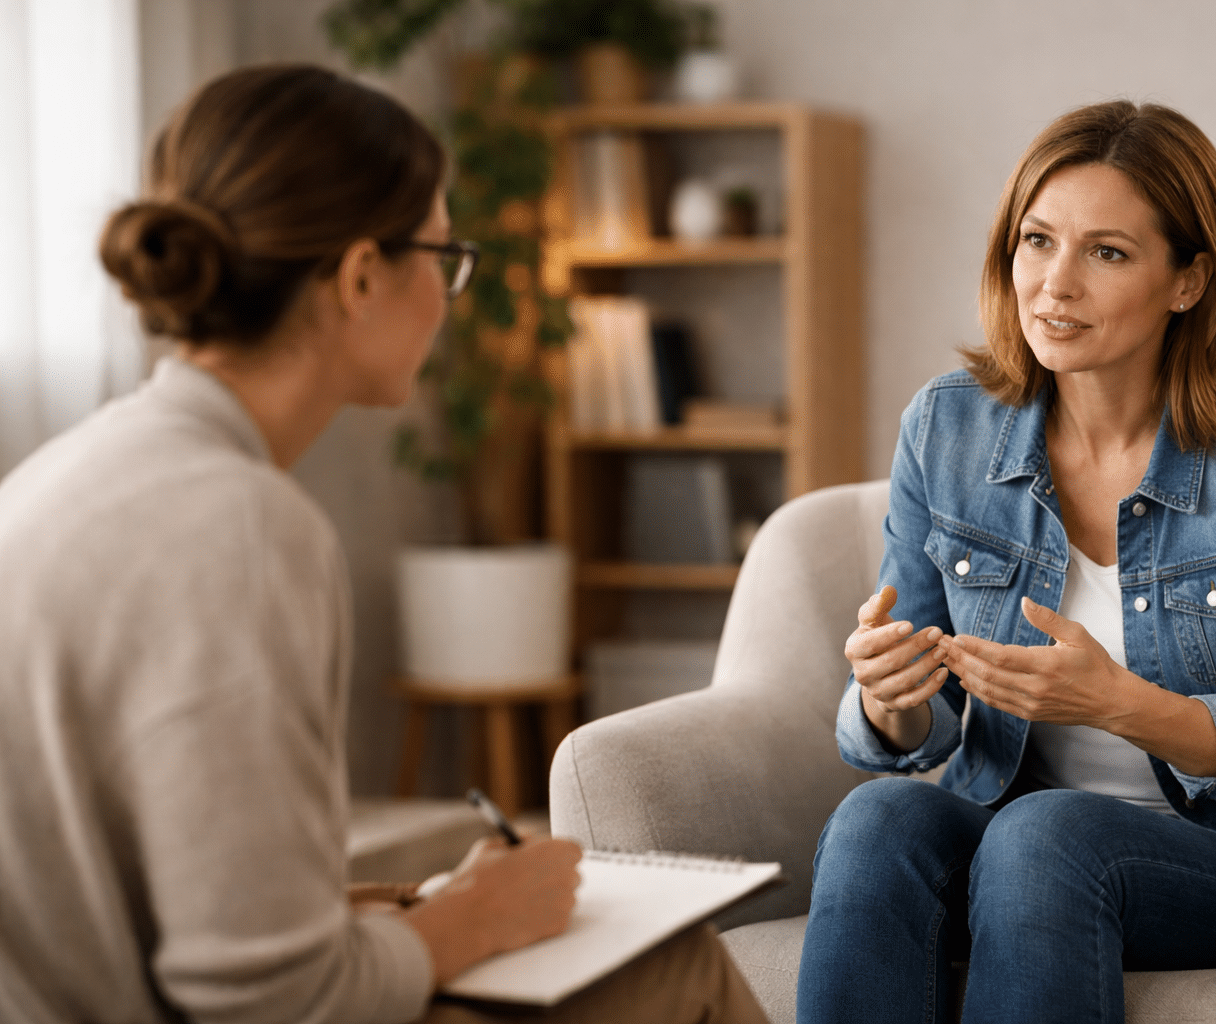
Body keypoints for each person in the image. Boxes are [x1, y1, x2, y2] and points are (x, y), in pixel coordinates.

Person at [0, 64, 766, 1024]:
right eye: (444, 258)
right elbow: (271, 1002)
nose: (450, 297)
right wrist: (472, 922)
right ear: (362, 276)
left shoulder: (66, 472)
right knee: (672, 967)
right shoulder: (238, 527)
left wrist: (412, 912)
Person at [796, 100, 1216, 1024]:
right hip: (1004, 831)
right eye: (1037, 241)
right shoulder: (946, 427)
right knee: (876, 822)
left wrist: (1118, 703)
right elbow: (923, 710)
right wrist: (890, 700)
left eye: (1106, 253)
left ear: (1187, 281)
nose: (1053, 285)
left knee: (1047, 834)